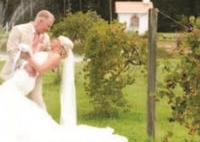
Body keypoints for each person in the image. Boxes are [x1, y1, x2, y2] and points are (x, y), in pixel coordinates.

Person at [0, 35, 128, 142]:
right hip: (21, 76)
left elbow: (41, 69)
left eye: (57, 39)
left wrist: (29, 58)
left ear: (59, 45)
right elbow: (35, 60)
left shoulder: (56, 57)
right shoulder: (49, 52)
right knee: (9, 102)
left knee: (5, 97)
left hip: (24, 80)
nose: (54, 39)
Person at [0, 9, 55, 109]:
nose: (49, 29)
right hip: (15, 73)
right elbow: (12, 51)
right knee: (8, 102)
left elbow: (49, 54)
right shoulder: (19, 29)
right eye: (48, 25)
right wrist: (25, 65)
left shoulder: (46, 37)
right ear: (40, 21)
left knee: (38, 103)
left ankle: (43, 124)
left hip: (35, 75)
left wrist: (52, 63)